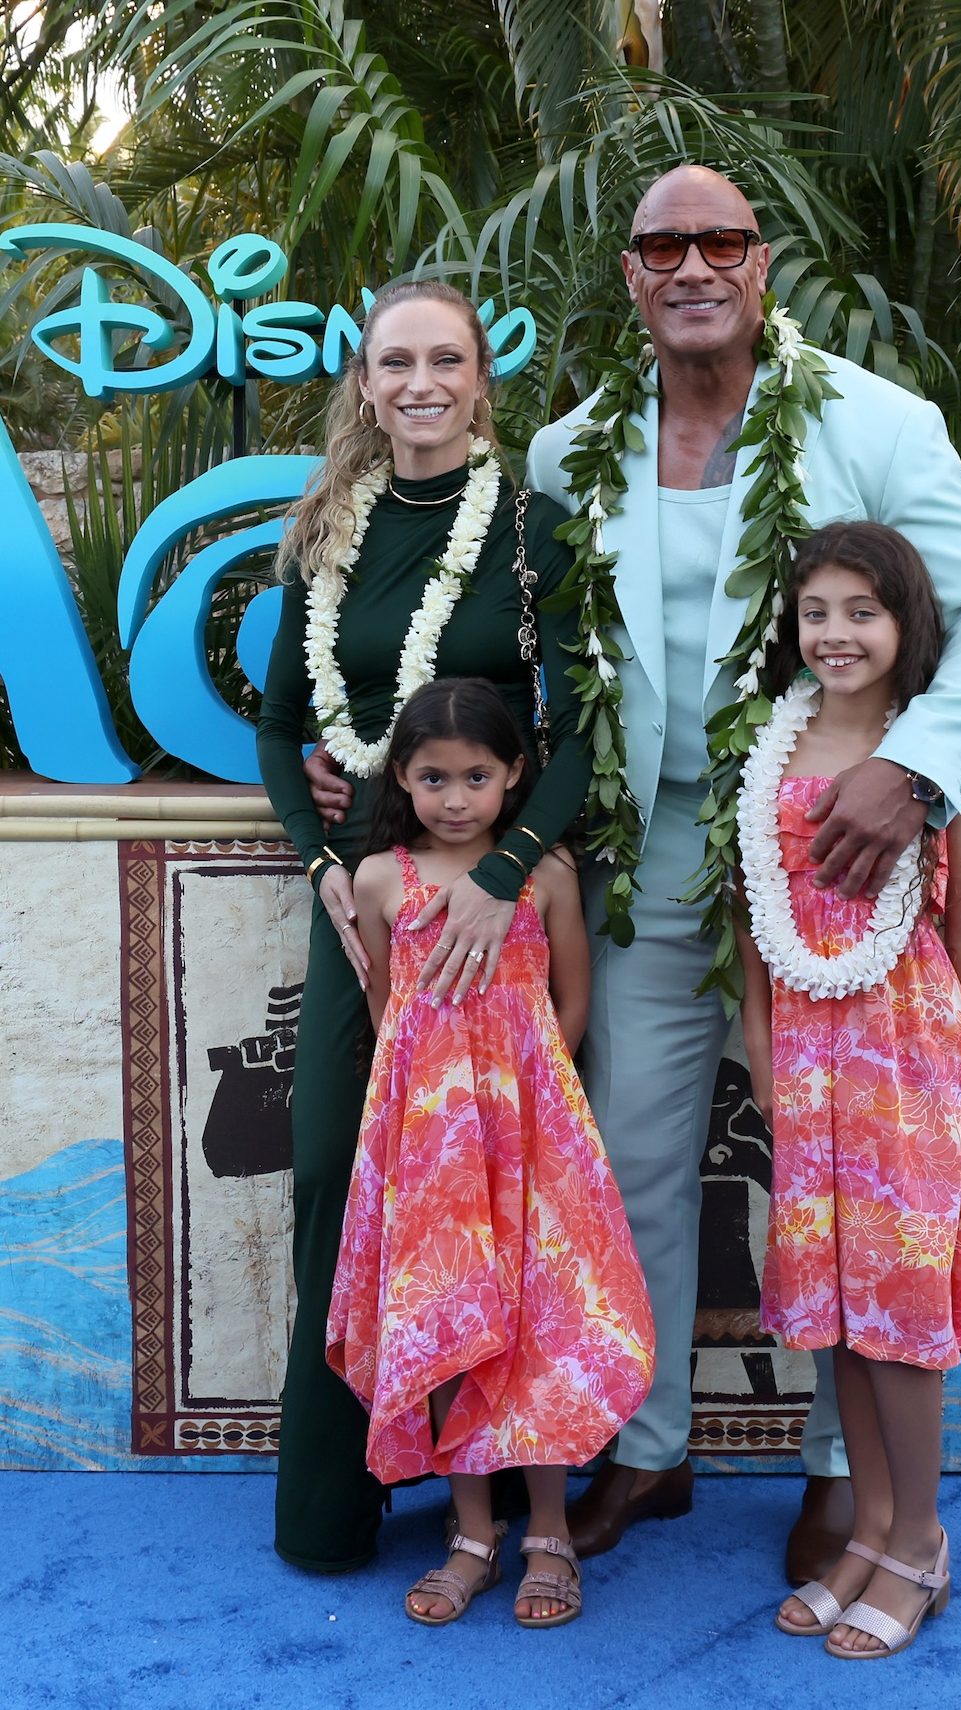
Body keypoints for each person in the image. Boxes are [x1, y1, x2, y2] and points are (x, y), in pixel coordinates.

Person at [305, 165, 961, 1577]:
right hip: (640, 866)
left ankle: (846, 1473)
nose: (694, 262)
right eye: (664, 244)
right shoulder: (579, 444)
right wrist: (363, 758)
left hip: (834, 854)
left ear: (763, 263)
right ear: (633, 273)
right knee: (630, 1161)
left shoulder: (875, 424)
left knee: (839, 1173)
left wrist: (919, 771)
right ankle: (647, 1451)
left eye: (722, 239)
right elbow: (498, 650)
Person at [257, 279, 592, 1574]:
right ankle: (337, 1499)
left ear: (479, 376)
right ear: (362, 376)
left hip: (493, 911)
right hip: (371, 906)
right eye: (396, 360)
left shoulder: (528, 526)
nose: (421, 383)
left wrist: (508, 869)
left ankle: (513, 1503)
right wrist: (319, 862)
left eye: (444, 358)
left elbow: (587, 729)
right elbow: (285, 727)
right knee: (341, 1177)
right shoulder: (325, 528)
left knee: (505, 1207)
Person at [327, 678, 653, 1627]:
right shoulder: (384, 878)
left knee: (538, 1315)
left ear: (515, 774)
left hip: (532, 1130)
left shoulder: (545, 873)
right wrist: (421, 1119)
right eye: (434, 777)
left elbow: (572, 1001)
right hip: (430, 1142)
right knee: (446, 1312)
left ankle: (547, 1528)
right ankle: (473, 1534)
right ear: (402, 775)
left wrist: (538, 1099)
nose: (457, 797)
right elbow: (392, 1010)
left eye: (478, 775)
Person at [736, 523, 961, 1659]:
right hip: (804, 1054)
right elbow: (752, 925)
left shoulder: (936, 757)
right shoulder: (767, 749)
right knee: (837, 1307)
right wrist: (758, 1047)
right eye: (815, 612)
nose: (834, 633)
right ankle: (872, 1526)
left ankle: (921, 1541)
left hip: (905, 1053)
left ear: (905, 625)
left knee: (896, 1308)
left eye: (861, 612)